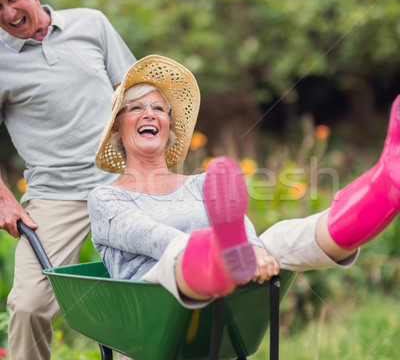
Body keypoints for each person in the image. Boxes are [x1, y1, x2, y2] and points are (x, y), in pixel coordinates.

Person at [0, 0, 182, 360]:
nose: (9, 12)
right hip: (54, 196)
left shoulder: (91, 25)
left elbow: (137, 91)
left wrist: (157, 164)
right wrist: (4, 200)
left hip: (122, 186)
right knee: (29, 305)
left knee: (150, 293)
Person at [88, 54, 400, 314]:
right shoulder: (106, 198)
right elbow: (155, 238)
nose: (150, 114)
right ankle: (221, 256)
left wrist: (250, 249)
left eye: (159, 108)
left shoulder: (200, 184)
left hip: (221, 288)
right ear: (117, 125)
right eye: (137, 107)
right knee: (176, 254)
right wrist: (226, 251)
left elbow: (240, 229)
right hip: (154, 301)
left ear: (169, 125)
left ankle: (384, 187)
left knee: (281, 237)